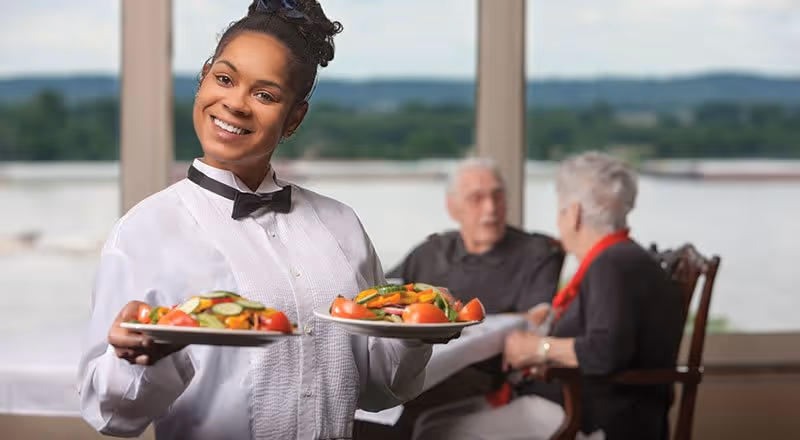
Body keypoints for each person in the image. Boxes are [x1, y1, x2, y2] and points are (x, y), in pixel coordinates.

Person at [77, 2, 432, 439]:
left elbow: (379, 390)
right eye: (224, 79)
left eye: (265, 95)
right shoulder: (143, 231)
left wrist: (417, 333)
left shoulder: (343, 226)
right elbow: (110, 416)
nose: (236, 104)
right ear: (203, 77)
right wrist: (138, 359)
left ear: (294, 119)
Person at [412, 151, 684, 440]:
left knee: (433, 430)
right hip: (582, 405)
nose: (559, 222)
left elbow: (606, 351)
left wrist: (537, 349)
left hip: (591, 419)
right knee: (431, 421)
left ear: (575, 214)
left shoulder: (611, 264)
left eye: (561, 211)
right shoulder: (623, 258)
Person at [355, 157, 564, 439]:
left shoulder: (537, 251)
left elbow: (539, 317)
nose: (490, 208)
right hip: (417, 358)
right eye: (477, 198)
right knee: (355, 389)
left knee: (398, 400)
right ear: (453, 207)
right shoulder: (432, 250)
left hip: (485, 374)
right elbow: (385, 292)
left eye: (497, 196)